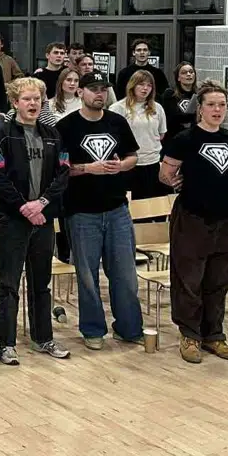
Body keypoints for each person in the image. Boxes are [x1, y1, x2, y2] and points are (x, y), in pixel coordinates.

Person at [55, 72, 145, 351]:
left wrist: (123, 166)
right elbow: (59, 169)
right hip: (81, 212)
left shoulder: (117, 122)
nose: (99, 94)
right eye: (93, 89)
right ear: (80, 92)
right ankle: (93, 329)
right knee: (87, 275)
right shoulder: (66, 126)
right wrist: (87, 169)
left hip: (117, 208)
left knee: (125, 274)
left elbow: (133, 156)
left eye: (103, 89)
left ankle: (129, 328)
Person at [0, 78, 70, 365]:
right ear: (15, 103)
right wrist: (24, 206)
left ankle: (42, 337)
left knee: (41, 282)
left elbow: (63, 172)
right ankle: (7, 343)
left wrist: (42, 203)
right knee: (9, 284)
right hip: (13, 219)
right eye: (27, 99)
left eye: (37, 99)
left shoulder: (53, 134)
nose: (33, 104)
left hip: (44, 217)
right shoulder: (2, 134)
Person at [160, 82, 228, 364]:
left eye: (222, 105)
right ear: (200, 108)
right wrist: (174, 180)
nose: (217, 110)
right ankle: (189, 334)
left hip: (227, 218)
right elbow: (165, 174)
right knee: (189, 279)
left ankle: (214, 335)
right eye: (211, 104)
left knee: (219, 278)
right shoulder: (184, 139)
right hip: (192, 217)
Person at [112, 71, 168, 200]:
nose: (145, 88)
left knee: (154, 207)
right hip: (129, 164)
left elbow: (161, 134)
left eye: (149, 85)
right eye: (141, 84)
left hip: (152, 163)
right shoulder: (117, 108)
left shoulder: (157, 108)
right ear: (133, 85)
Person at [160, 62, 199, 139]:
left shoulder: (199, 95)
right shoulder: (170, 94)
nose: (188, 74)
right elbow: (165, 118)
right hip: (173, 137)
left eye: (191, 72)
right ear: (178, 78)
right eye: (184, 73)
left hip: (193, 137)